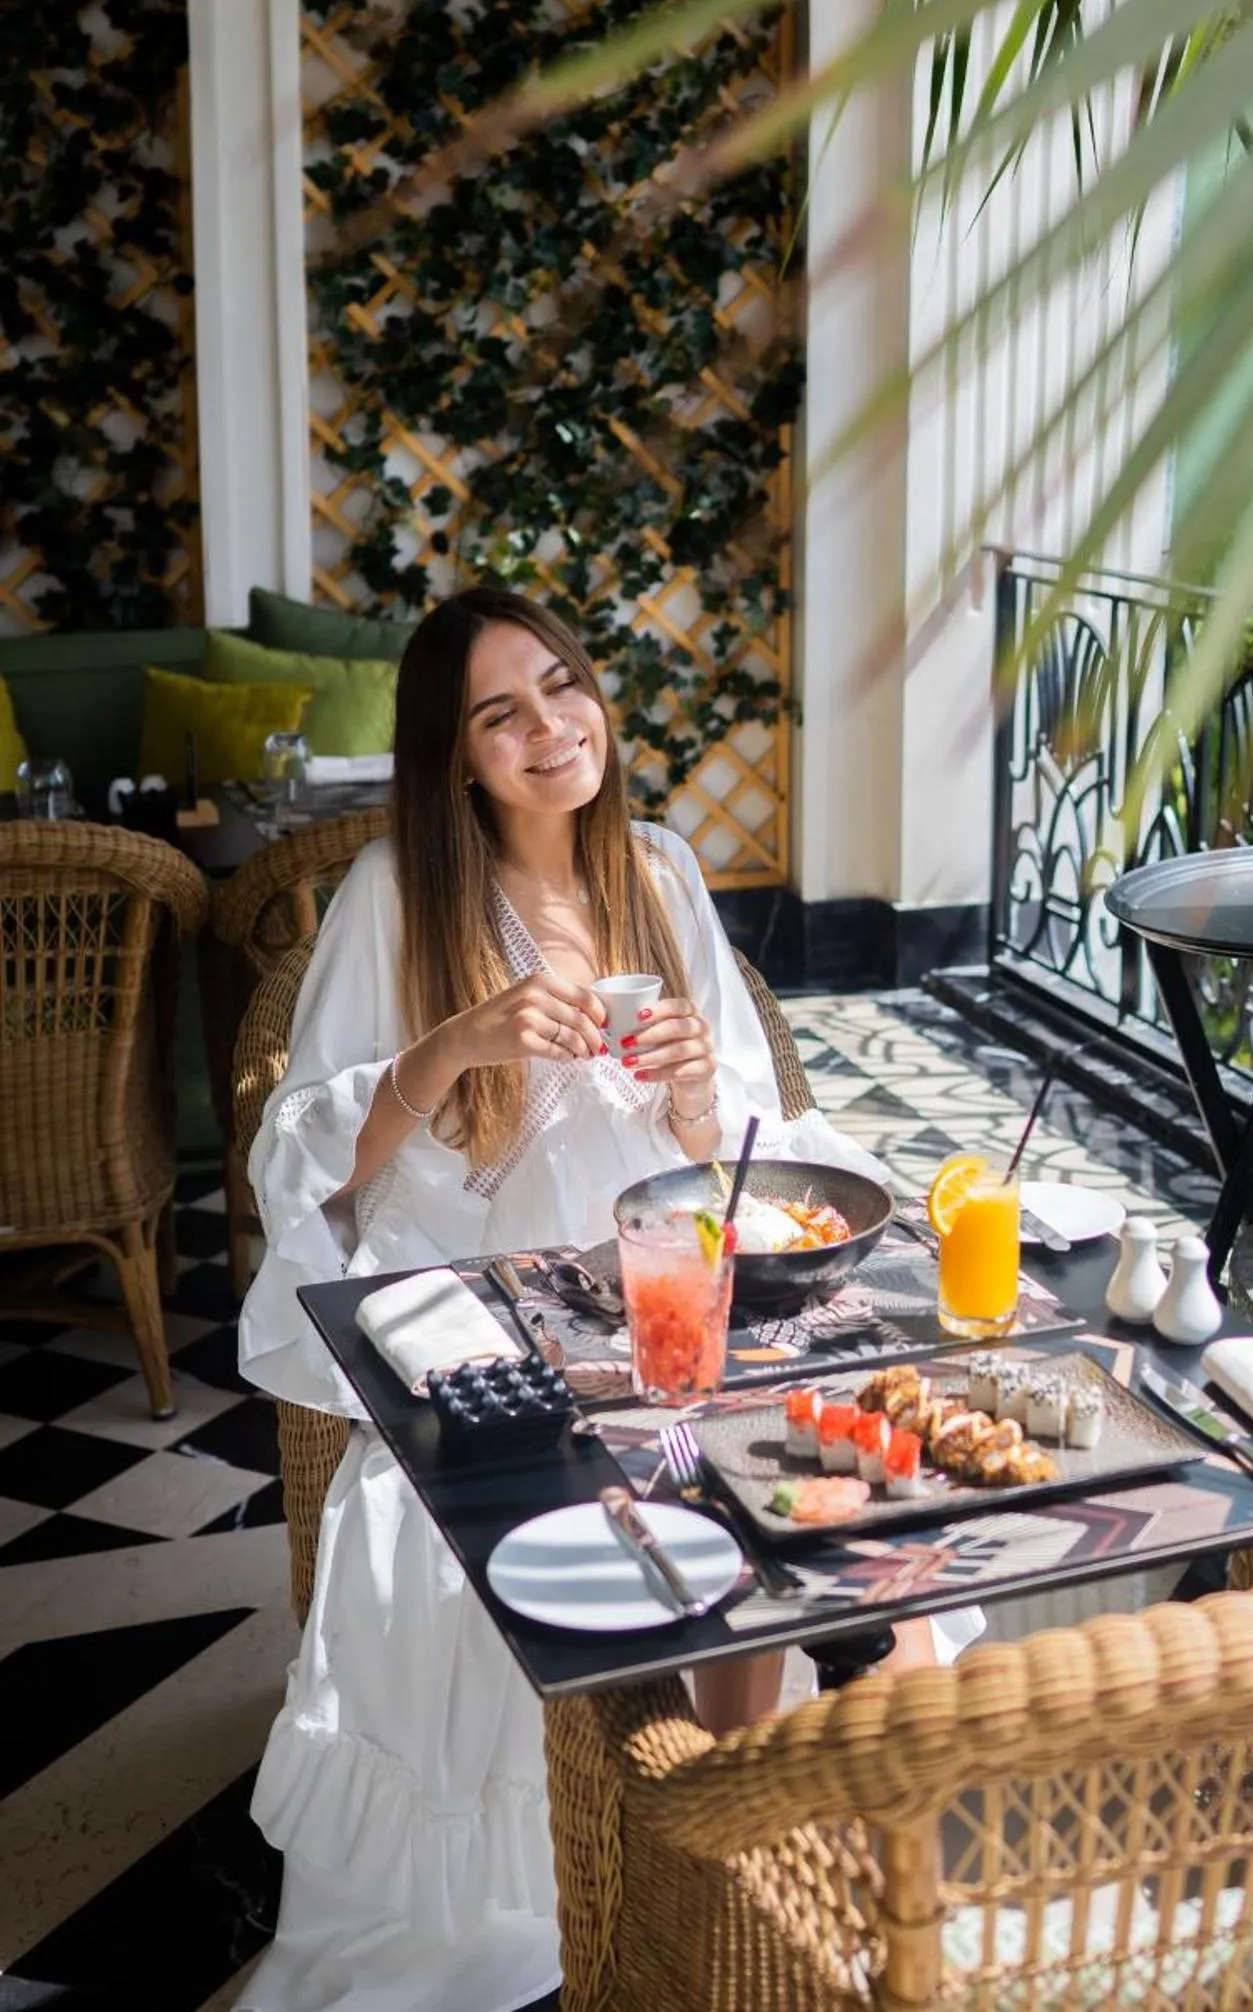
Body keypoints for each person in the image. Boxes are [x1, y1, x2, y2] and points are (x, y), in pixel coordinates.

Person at [235, 586, 977, 2012]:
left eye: (561, 687)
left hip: (676, 1305)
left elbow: (736, 1146)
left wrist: (701, 1093)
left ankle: (769, 1828)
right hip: (497, 1322)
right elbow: (302, 1160)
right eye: (497, 713)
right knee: (532, 1524)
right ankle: (642, 1837)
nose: (545, 728)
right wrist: (451, 1047)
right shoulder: (400, 895)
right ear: (454, 755)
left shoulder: (660, 870)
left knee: (848, 1489)